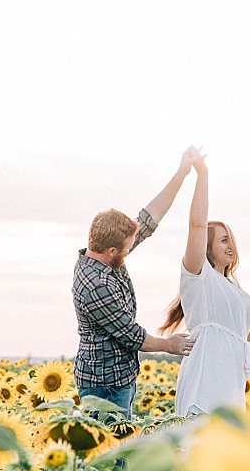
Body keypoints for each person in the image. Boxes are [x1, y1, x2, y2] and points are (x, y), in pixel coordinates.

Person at [72, 148, 199, 419]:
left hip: (119, 375)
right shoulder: (96, 285)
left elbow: (148, 220)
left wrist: (181, 173)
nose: (131, 251)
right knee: (108, 458)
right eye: (128, 250)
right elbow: (131, 335)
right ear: (112, 251)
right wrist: (169, 345)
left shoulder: (104, 251)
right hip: (103, 385)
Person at [161, 152, 250, 415]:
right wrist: (202, 175)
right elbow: (197, 224)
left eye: (231, 238)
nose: (230, 244)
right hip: (204, 383)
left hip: (231, 387)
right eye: (223, 240)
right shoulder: (199, 276)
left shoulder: (238, 293)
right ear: (206, 248)